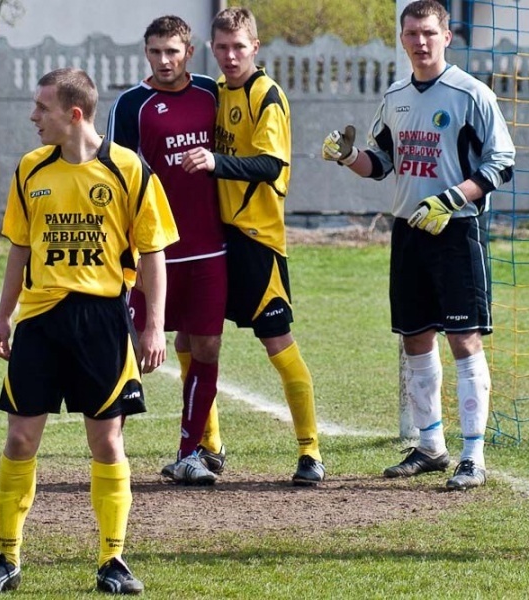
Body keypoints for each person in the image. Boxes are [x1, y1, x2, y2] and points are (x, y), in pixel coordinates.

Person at [0, 67, 178, 594]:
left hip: (102, 321)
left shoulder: (128, 169)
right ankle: (7, 559)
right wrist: (3, 315)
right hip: (40, 321)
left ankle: (113, 560)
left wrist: (153, 326)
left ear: (74, 113)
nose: (33, 117)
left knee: (106, 442)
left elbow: (153, 252)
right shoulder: (29, 170)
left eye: (43, 108)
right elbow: (19, 247)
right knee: (19, 439)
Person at [321, 0, 514, 490]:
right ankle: (431, 446)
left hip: (456, 230)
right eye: (411, 34)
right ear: (403, 39)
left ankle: (474, 456)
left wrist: (452, 199)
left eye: (429, 32)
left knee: (463, 340)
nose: (420, 42)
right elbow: (382, 162)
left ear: (447, 36)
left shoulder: (471, 94)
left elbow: (500, 163)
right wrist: (349, 157)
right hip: (409, 230)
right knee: (414, 337)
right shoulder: (396, 96)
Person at [181, 6, 325, 485]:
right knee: (191, 339)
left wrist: (215, 162)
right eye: (221, 47)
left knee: (278, 344)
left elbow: (270, 165)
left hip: (257, 242)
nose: (229, 55)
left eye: (238, 46)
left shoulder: (268, 96)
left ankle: (310, 452)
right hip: (214, 239)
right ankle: (209, 446)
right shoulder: (214, 93)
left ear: (255, 47)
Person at [107, 15, 227, 485]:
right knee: (133, 351)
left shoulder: (211, 94)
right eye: (155, 52)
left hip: (209, 248)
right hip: (152, 250)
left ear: (188, 52)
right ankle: (109, 446)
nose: (163, 60)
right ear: (146, 53)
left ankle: (190, 452)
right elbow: (114, 177)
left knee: (208, 346)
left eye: (172, 51)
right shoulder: (132, 105)